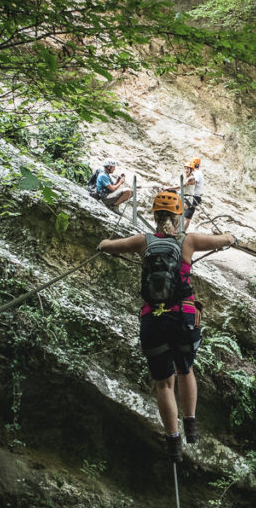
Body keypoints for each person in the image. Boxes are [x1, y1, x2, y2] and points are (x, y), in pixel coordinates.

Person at [97, 191, 235, 462]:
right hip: (183, 318)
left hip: (153, 321)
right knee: (185, 370)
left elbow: (108, 245)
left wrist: (102, 244)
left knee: (163, 383)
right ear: (179, 216)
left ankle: (173, 441)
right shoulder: (190, 240)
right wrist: (232, 238)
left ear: (154, 216)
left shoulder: (142, 242)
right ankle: (191, 424)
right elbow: (225, 240)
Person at [180, 156, 204, 230]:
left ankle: (178, 230)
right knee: (187, 217)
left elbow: (193, 182)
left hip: (193, 197)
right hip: (197, 197)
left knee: (180, 211)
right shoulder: (200, 173)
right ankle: (182, 232)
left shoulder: (196, 173)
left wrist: (186, 183)